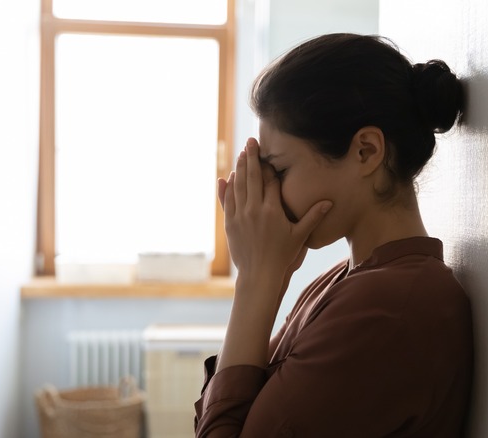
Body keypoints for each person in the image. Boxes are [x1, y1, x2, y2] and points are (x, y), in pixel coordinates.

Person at [194, 33, 473, 437]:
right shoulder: (347, 280)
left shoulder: (389, 307)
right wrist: (266, 279)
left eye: (280, 171)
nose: (267, 194)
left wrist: (256, 280)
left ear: (366, 152)